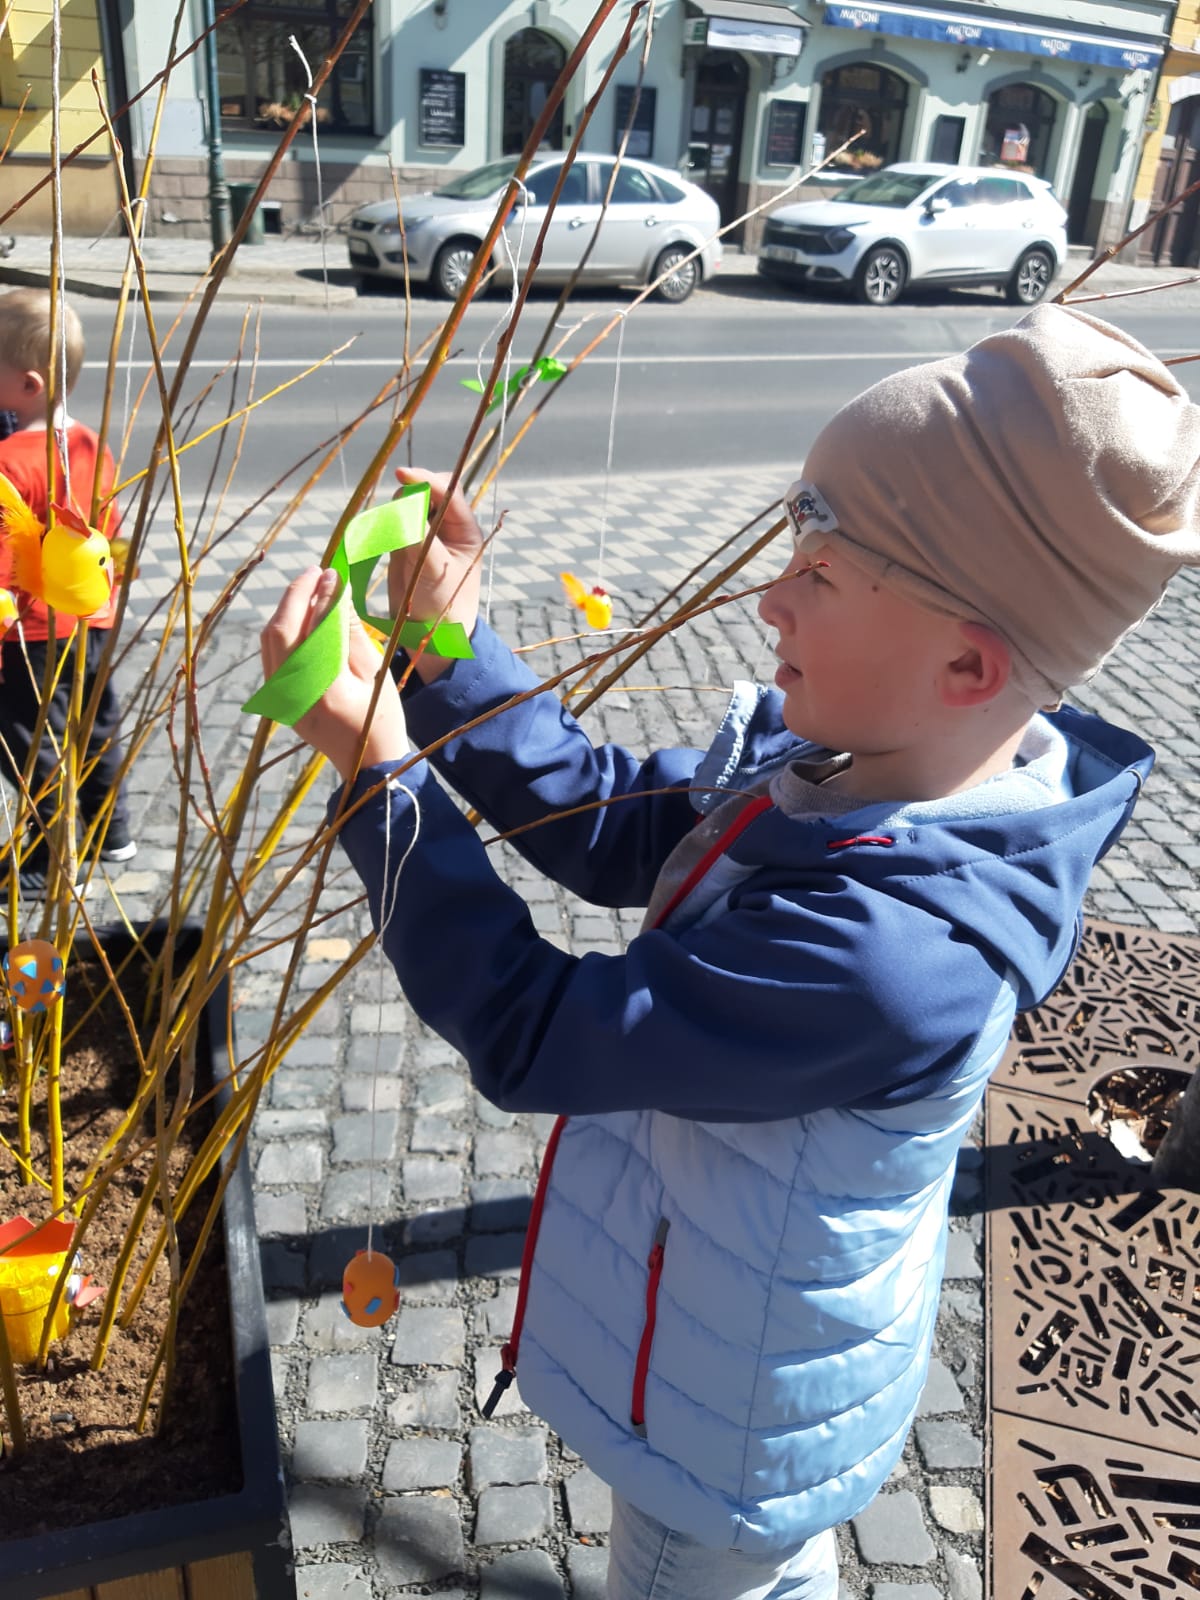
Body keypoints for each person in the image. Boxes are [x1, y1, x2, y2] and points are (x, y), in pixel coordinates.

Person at [260, 304, 1199, 1599]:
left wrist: (383, 778)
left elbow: (535, 1030)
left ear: (966, 665)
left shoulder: (886, 954)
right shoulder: (850, 760)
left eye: (822, 574)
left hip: (722, 1423)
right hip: (727, 1357)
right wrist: (445, 651)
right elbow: (605, 819)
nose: (769, 600)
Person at [0, 288, 136, 898]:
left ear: (29, 384)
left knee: (34, 743)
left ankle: (49, 857)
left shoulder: (8, 462)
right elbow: (110, 531)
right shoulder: (90, 444)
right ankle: (111, 831)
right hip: (93, 615)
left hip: (31, 632)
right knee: (96, 724)